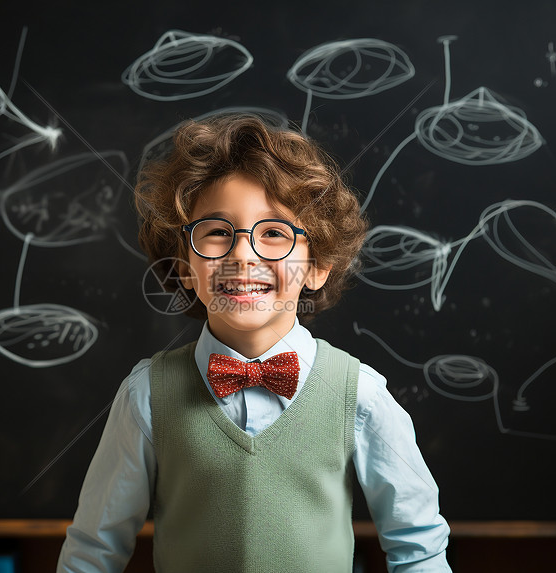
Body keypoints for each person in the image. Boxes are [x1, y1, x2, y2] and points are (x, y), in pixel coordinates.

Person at [58, 113, 451, 572]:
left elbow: (418, 547)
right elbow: (93, 552)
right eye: (217, 232)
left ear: (317, 265)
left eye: (274, 234)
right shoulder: (146, 396)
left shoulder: (360, 395)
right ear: (185, 266)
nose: (242, 255)